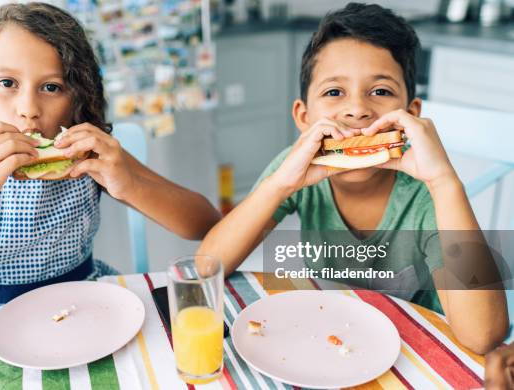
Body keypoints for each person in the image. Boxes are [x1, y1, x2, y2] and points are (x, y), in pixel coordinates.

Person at [197, 2, 508, 354]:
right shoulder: (296, 171)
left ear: (412, 115)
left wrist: (444, 183)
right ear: (303, 116)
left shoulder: (428, 195)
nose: (357, 109)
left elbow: (483, 336)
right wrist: (280, 185)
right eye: (334, 92)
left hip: (415, 349)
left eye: (381, 91)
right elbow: (207, 265)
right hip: (330, 342)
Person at [0, 2, 221, 328]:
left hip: (84, 314)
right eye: (7, 83)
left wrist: (130, 186)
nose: (28, 109)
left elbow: (204, 223)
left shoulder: (88, 154)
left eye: (51, 87)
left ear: (77, 97)